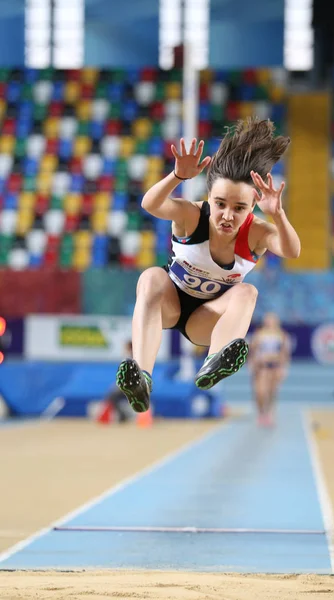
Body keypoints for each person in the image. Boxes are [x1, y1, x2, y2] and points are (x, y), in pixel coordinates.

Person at [116, 118, 301, 413]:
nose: (228, 216)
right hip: (169, 304)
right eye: (220, 204)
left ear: (253, 205)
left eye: (239, 208)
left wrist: (278, 215)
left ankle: (214, 362)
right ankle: (142, 376)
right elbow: (150, 204)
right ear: (209, 199)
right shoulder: (191, 215)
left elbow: (292, 250)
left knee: (247, 293)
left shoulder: (258, 232)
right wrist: (176, 176)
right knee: (151, 277)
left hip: (207, 320)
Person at [249, 312, 291, 426]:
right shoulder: (259, 334)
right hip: (262, 367)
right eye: (268, 320)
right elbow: (252, 351)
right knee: (260, 392)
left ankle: (269, 413)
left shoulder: (282, 335)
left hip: (275, 367)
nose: (270, 322)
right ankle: (261, 411)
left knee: (272, 391)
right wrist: (252, 364)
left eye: (272, 320)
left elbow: (284, 353)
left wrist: (283, 368)